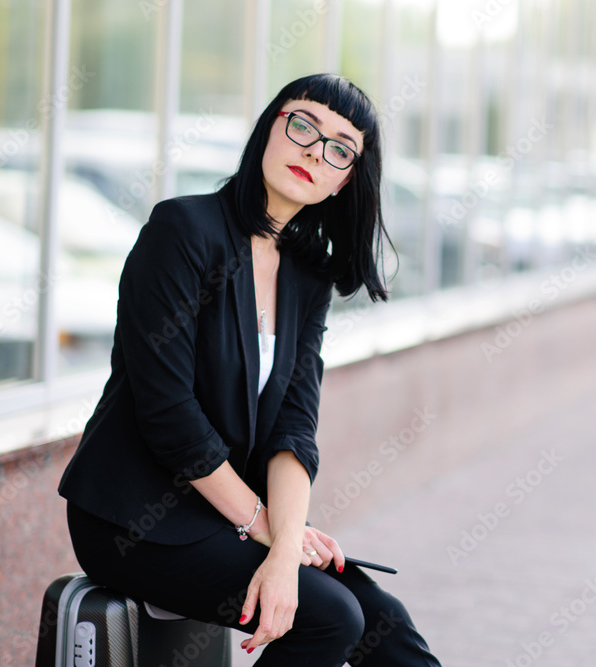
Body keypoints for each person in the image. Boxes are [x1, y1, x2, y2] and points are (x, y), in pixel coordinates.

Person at [58, 73, 441, 666]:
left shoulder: (306, 276)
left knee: (386, 625)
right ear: (270, 127)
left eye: (340, 148)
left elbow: (294, 429)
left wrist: (285, 543)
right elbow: (168, 413)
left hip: (227, 514)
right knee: (332, 618)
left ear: (346, 181)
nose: (315, 151)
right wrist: (267, 527)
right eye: (304, 125)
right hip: (136, 520)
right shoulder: (182, 231)